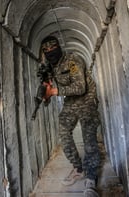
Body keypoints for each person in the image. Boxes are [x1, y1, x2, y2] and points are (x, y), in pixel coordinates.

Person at [40, 35, 101, 197]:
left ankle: (91, 178)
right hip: (71, 103)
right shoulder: (49, 67)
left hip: (86, 101)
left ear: (59, 47)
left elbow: (80, 87)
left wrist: (55, 91)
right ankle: (78, 168)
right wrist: (46, 91)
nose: (50, 52)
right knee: (63, 132)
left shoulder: (73, 60)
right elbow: (47, 86)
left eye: (53, 48)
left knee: (89, 141)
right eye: (46, 50)